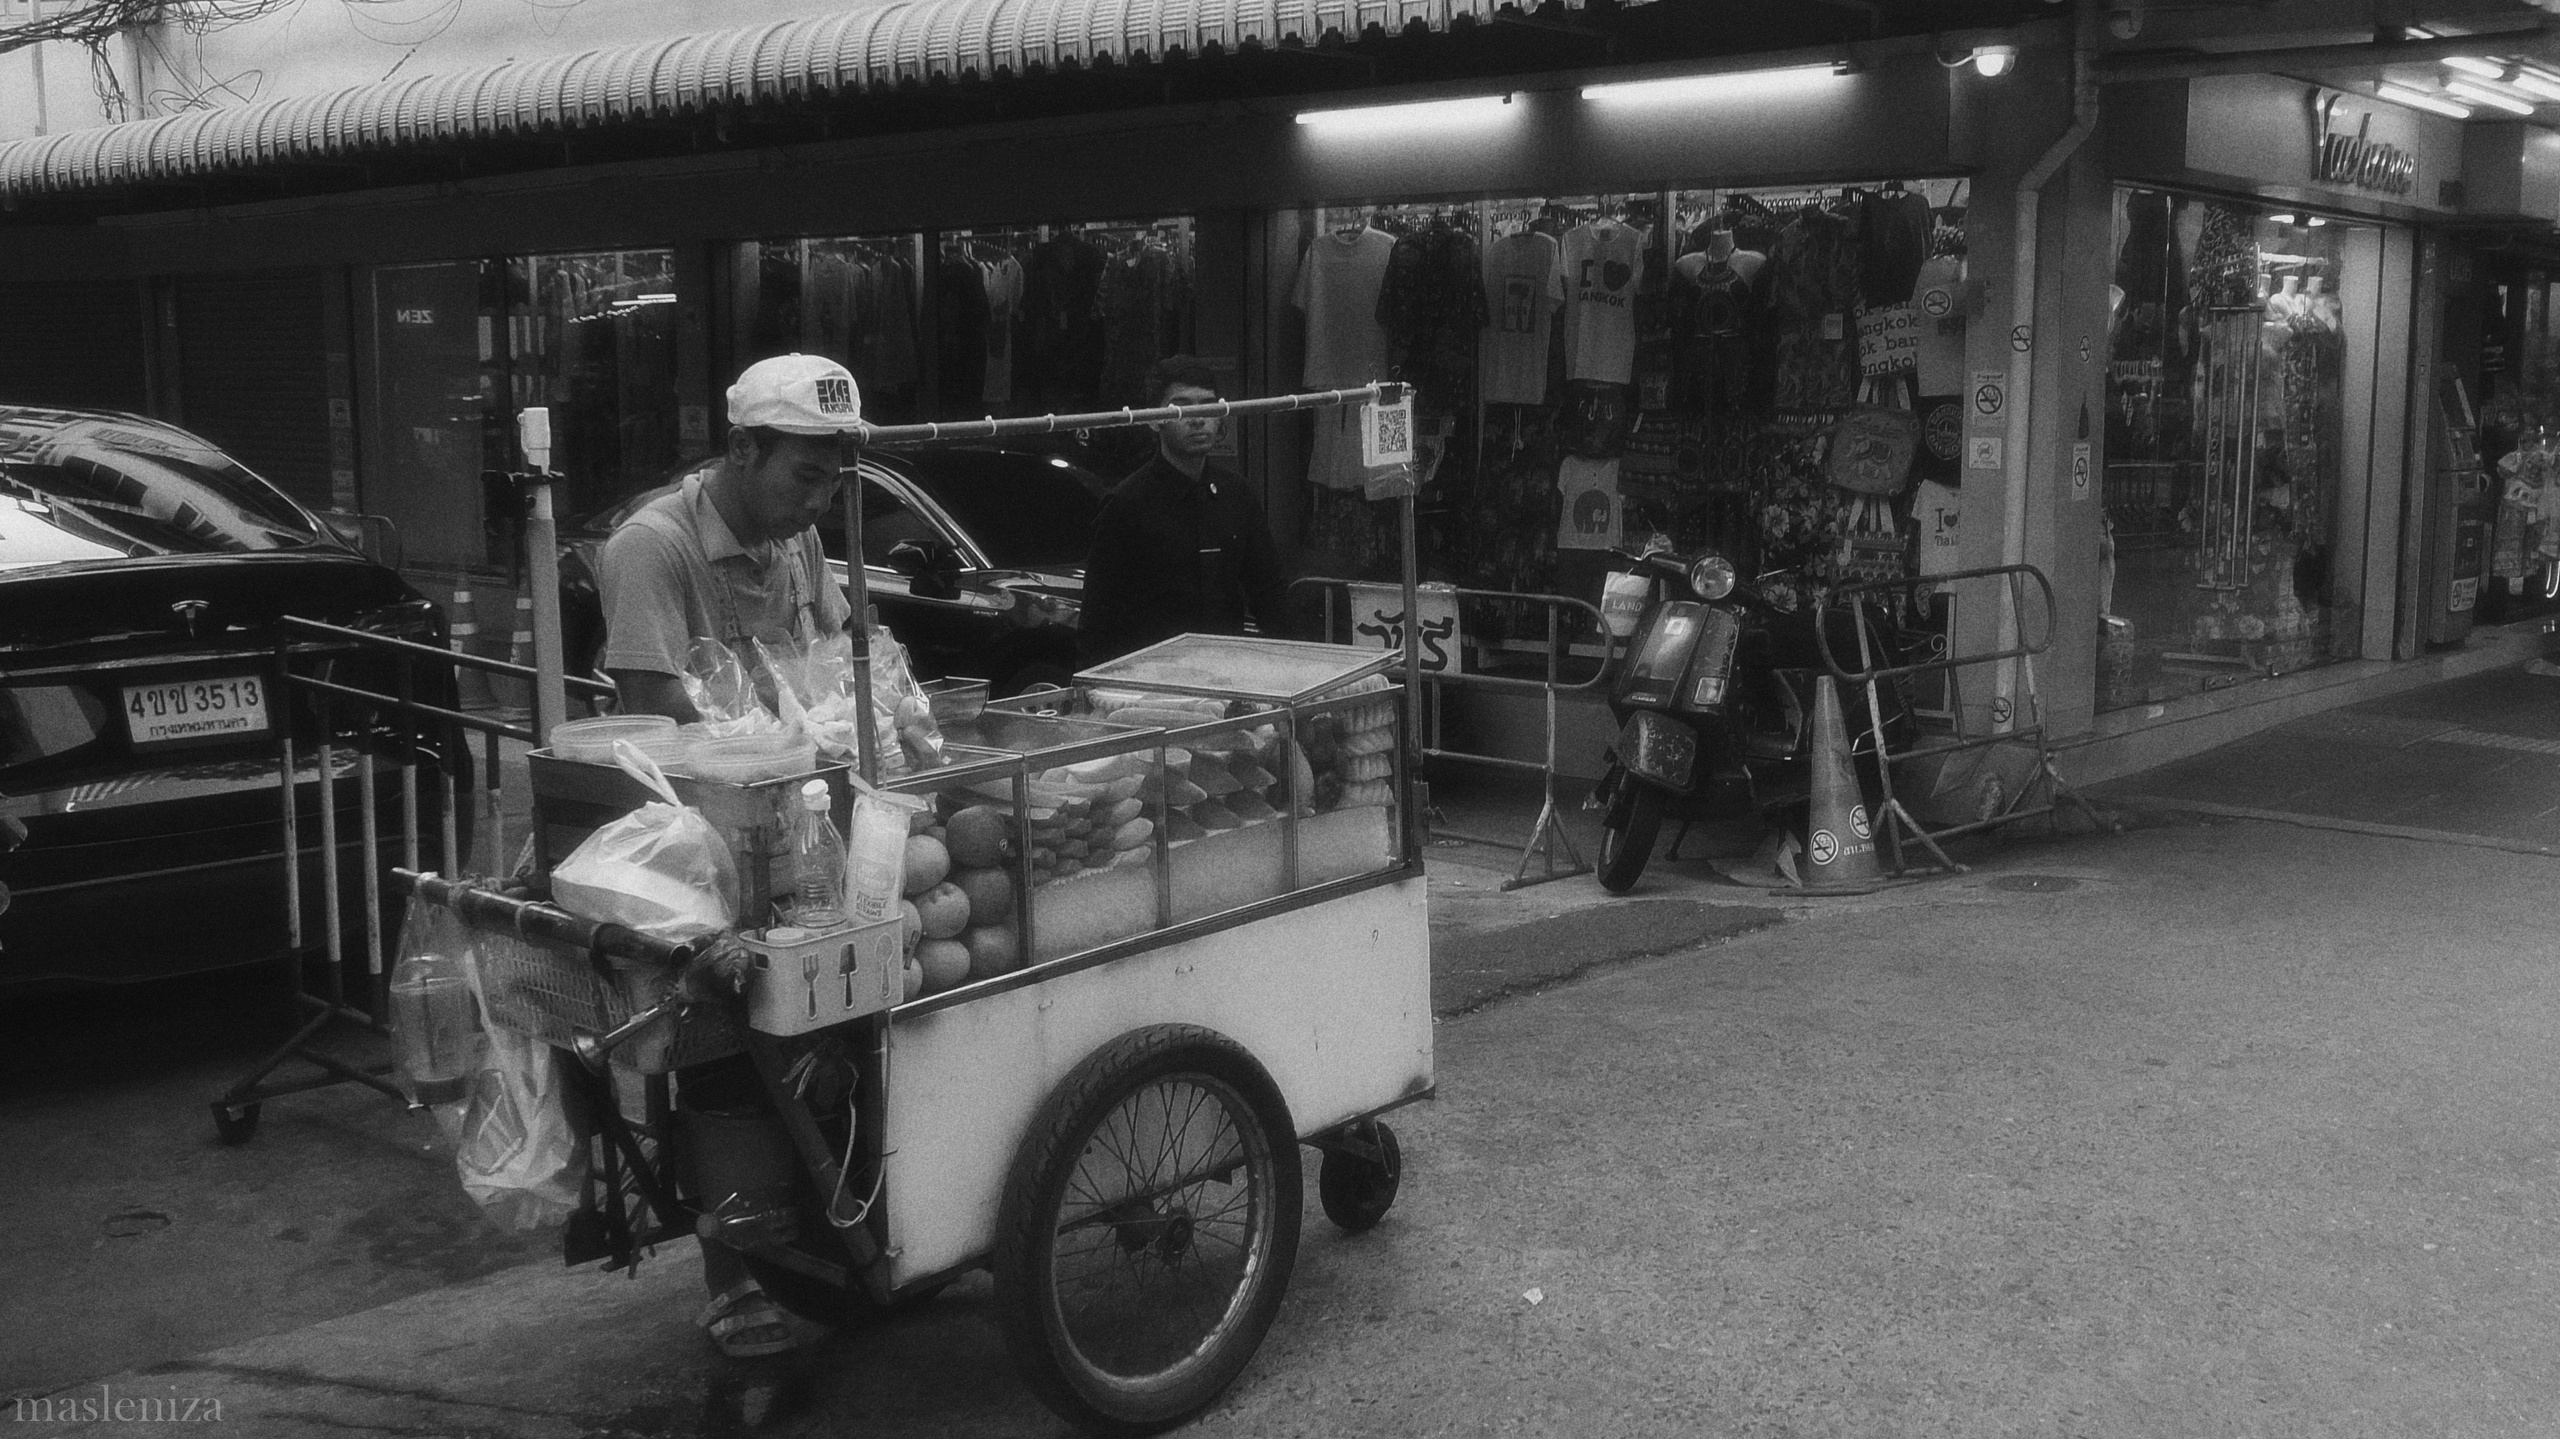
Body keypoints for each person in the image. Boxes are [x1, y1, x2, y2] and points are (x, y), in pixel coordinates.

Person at [596, 352, 863, 1359]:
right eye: (806, 474)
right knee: (727, 1045)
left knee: (836, 1026)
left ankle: (834, 1227)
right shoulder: (652, 547)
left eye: (834, 479)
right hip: (693, 841)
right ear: (742, 449)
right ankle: (734, 1272)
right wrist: (775, 735)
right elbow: (652, 713)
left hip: (798, 827)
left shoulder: (798, 541)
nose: (820, 500)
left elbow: (829, 662)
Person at [1078, 356, 1294, 662]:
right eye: (1181, 408)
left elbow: (1269, 594)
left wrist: (1298, 662)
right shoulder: (1127, 504)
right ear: (1154, 420)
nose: (1197, 419)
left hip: (1226, 667)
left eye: (1207, 407)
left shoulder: (1236, 494)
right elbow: (1098, 620)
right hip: (1153, 673)